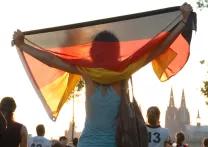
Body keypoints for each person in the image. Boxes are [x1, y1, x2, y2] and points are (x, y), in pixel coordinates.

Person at [13, 3, 192, 147]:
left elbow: (51, 59)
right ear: (117, 51)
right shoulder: (124, 72)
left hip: (86, 143)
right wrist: (182, 21)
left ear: (92, 52)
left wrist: (23, 45)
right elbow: (157, 49)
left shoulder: (88, 73)